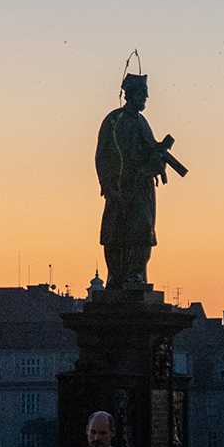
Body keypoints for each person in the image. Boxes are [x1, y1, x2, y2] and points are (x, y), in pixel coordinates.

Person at [95, 69, 182, 288]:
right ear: (130, 94)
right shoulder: (114, 120)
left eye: (146, 92)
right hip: (119, 186)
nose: (146, 97)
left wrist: (158, 165)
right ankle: (116, 276)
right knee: (114, 232)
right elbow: (101, 155)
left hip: (141, 186)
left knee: (142, 229)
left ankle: (136, 275)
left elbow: (153, 155)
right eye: (142, 92)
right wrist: (106, 184)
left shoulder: (143, 123)